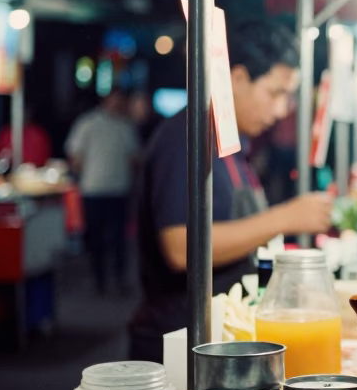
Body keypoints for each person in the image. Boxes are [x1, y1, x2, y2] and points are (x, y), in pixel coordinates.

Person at [129, 20, 333, 361]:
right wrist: (285, 217)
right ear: (238, 78)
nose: (282, 110)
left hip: (219, 340)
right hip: (179, 345)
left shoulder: (232, 143)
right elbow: (181, 248)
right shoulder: (188, 138)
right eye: (275, 92)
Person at [65, 89, 139, 294]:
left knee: (119, 239)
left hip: (119, 191)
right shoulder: (88, 123)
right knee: (96, 238)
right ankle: (100, 280)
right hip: (93, 190)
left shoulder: (126, 126)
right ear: (106, 100)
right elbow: (75, 156)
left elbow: (134, 159)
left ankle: (119, 279)